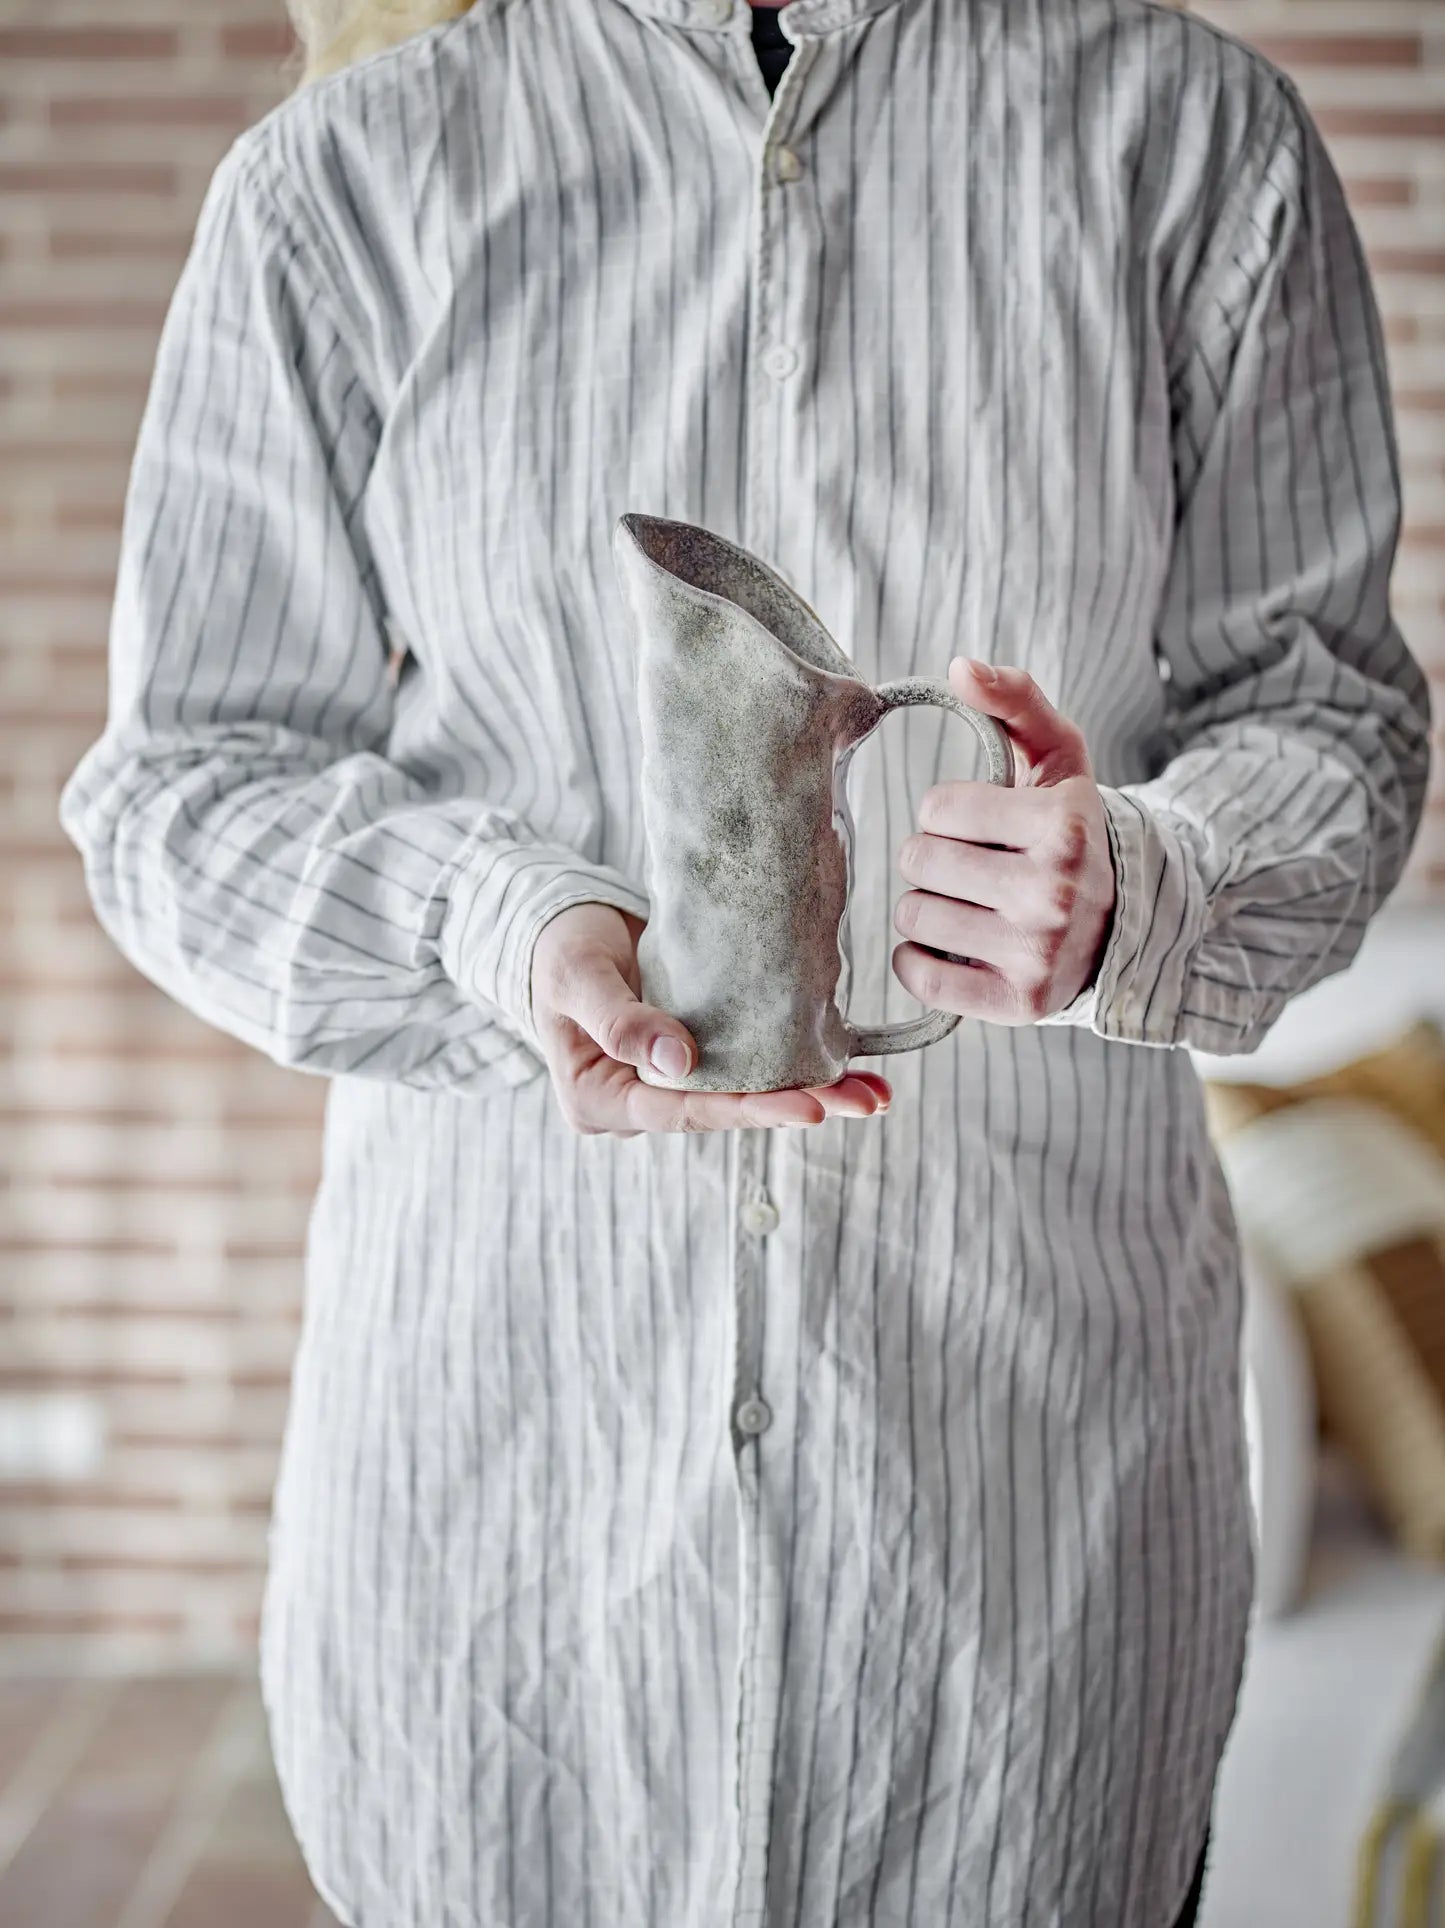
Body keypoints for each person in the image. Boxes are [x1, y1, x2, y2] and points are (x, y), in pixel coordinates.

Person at [59, 0, 1432, 1923]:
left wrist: (1152, 880)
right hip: (497, 1532)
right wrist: (503, 921)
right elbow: (181, 789)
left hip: (1031, 1555)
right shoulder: (346, 179)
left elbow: (1333, 716)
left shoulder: (1191, 143)